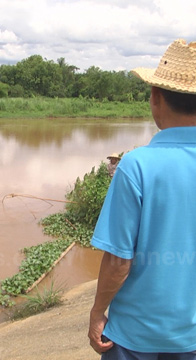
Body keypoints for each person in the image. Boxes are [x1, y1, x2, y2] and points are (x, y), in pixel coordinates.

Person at [88, 38, 196, 359]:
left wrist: (97, 312)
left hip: (135, 336)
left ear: (155, 97)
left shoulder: (137, 165)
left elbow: (119, 261)